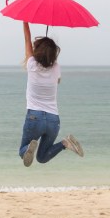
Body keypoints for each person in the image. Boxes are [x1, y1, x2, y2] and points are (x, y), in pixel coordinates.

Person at [18, 22, 84, 167]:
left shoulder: (32, 64)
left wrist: (25, 22)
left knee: (22, 151)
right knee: (42, 158)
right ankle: (65, 143)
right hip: (53, 120)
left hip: (34, 117)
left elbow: (27, 39)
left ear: (38, 51)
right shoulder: (56, 68)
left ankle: (28, 148)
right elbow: (57, 81)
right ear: (53, 53)